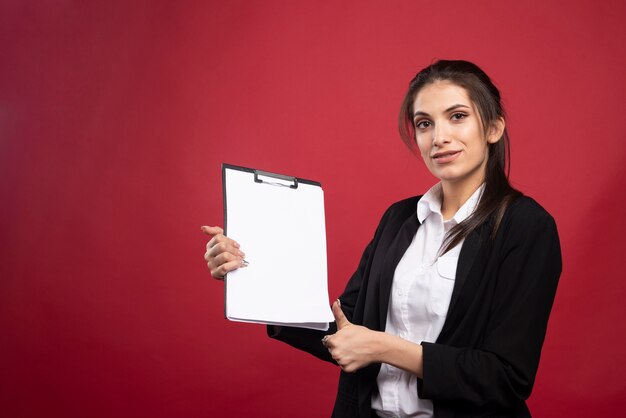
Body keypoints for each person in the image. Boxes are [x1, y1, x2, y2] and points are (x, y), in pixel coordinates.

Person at [202, 60, 562, 418]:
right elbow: (347, 326)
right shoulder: (400, 218)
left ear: (494, 127)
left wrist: (385, 347)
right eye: (424, 123)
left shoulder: (526, 226)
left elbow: (506, 376)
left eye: (457, 116)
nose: (439, 138)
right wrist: (249, 276)